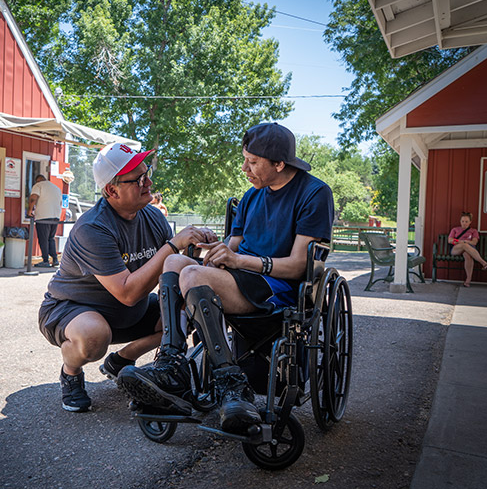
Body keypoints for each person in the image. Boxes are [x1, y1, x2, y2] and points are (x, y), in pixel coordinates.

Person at [118, 123, 335, 434]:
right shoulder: (251, 196)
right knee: (177, 261)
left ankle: (231, 384)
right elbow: (231, 248)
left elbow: (300, 265)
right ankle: (172, 367)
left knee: (192, 273)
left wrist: (237, 260)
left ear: (279, 164)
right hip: (239, 279)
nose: (245, 168)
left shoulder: (314, 193)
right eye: (244, 159)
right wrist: (215, 249)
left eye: (253, 162)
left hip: (278, 289)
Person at [38, 142, 215, 412]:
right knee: (94, 335)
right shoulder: (93, 228)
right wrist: (173, 245)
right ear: (112, 190)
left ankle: (121, 360)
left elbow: (167, 270)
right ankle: (71, 372)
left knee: (185, 313)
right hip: (73, 310)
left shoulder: (153, 217)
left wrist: (203, 248)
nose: (148, 182)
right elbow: (128, 293)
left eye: (146, 174)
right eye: (139, 179)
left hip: (129, 313)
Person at [448, 211, 487, 287]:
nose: (464, 223)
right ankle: (483, 263)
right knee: (464, 245)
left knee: (468, 256)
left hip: (469, 249)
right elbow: (450, 240)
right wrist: (461, 242)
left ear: (470, 222)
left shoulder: (473, 231)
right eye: (463, 221)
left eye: (466, 221)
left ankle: (468, 280)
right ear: (460, 221)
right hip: (456, 249)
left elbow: (474, 242)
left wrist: (465, 242)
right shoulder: (455, 229)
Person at [29, 174, 63, 268]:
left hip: (43, 216)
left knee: (43, 239)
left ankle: (45, 260)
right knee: (51, 238)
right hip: (55, 216)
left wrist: (30, 211)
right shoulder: (56, 188)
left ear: (37, 180)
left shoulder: (38, 185)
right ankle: (55, 259)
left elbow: (33, 199)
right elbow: (60, 202)